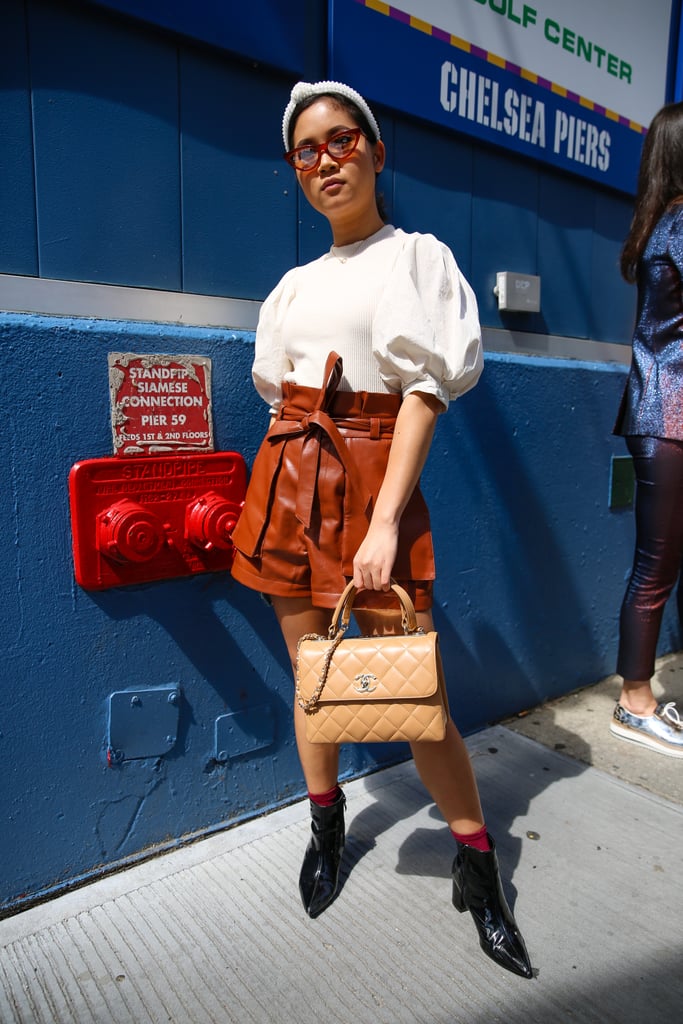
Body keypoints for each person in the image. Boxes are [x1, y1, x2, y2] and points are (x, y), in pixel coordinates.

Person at [230, 79, 532, 978]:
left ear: (374, 149)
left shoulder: (416, 258)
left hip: (372, 484)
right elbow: (281, 396)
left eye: (341, 140)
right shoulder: (291, 287)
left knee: (414, 693)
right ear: (295, 170)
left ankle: (476, 864)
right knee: (312, 678)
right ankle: (325, 825)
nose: (325, 160)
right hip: (287, 477)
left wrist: (384, 520)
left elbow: (422, 392)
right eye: (306, 150)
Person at [612, 100, 683, 757]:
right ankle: (634, 700)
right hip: (668, 416)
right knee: (655, 565)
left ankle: (641, 691)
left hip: (662, 413)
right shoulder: (680, 224)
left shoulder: (658, 222)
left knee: (661, 563)